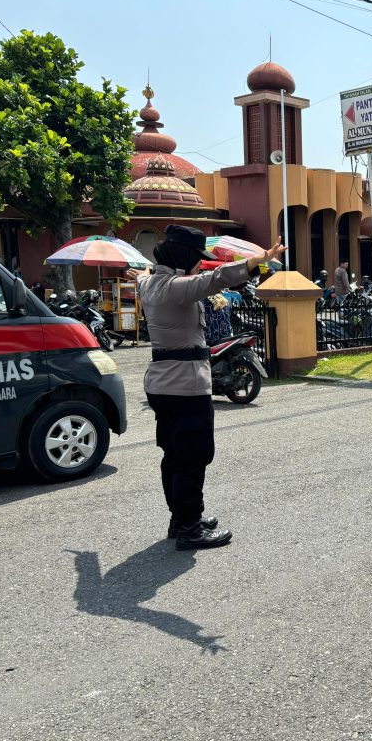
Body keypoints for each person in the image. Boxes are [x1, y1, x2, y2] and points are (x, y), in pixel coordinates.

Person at [129, 225, 285, 550]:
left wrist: (142, 273)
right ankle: (190, 528)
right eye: (197, 258)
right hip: (184, 385)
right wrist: (261, 259)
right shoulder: (175, 287)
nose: (201, 264)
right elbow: (215, 280)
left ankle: (181, 519)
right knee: (192, 457)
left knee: (174, 456)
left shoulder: (150, 283)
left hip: (162, 384)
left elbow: (144, 277)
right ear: (185, 257)